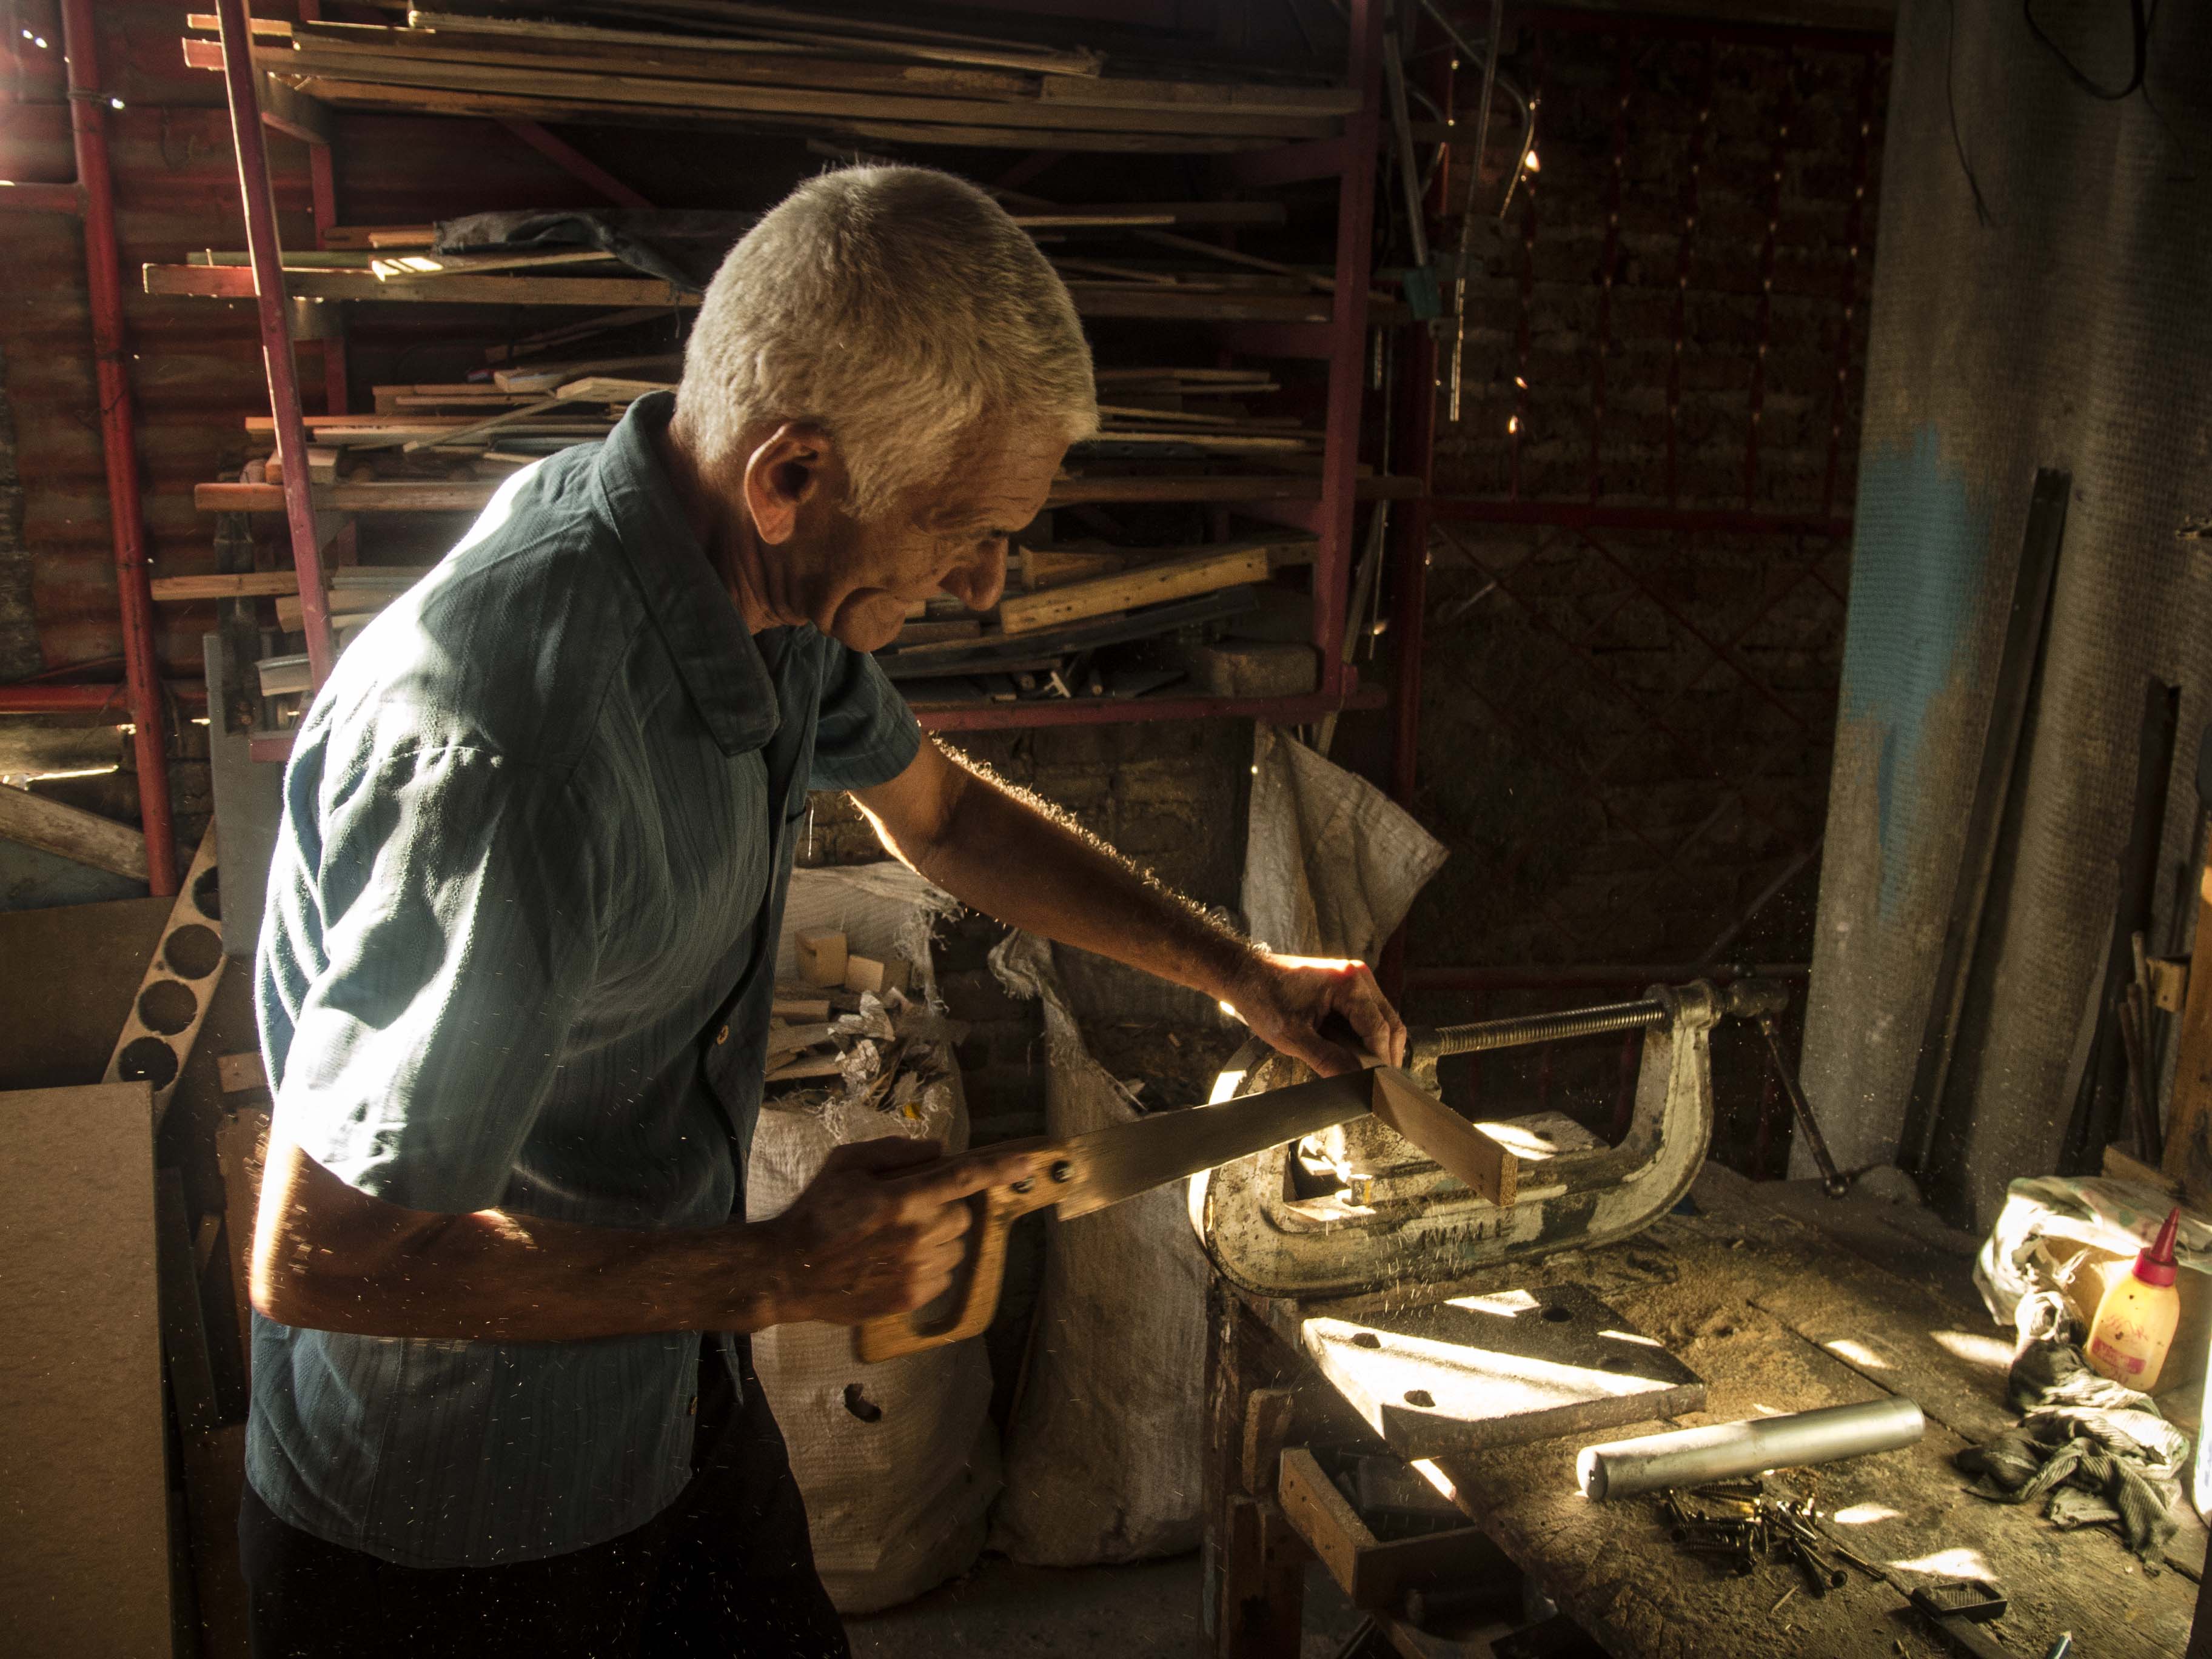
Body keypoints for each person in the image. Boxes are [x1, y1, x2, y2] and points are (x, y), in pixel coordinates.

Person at [241, 164, 1406, 1658]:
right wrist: (779, 1271)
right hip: (455, 1527)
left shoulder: (751, 589)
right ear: (791, 474)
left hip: (668, 1400)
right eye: (961, 531)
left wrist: (1239, 974)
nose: (986, 587)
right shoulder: (518, 753)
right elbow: (327, 1256)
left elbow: (952, 815)